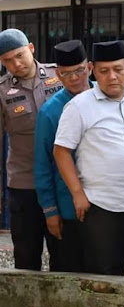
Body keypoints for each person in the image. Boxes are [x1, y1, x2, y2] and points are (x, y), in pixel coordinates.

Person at [53, 40, 124, 278]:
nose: (112, 76)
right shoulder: (79, 106)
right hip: (102, 207)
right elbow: (61, 151)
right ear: (93, 70)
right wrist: (78, 194)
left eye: (118, 69)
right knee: (105, 276)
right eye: (104, 71)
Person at [0, 28, 65, 271]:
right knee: (26, 257)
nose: (16, 64)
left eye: (19, 55)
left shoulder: (60, 75)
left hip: (62, 180)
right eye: (7, 60)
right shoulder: (2, 90)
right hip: (24, 184)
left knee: (65, 255)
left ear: (31, 48)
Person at [34, 40, 93, 272]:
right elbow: (43, 165)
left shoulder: (107, 97)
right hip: (68, 208)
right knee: (68, 272)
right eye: (67, 73)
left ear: (90, 67)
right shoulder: (50, 112)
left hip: (106, 207)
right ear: (58, 75)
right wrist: (50, 211)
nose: (75, 78)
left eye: (79, 70)